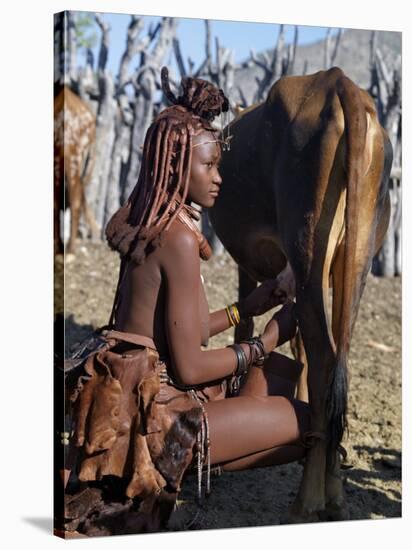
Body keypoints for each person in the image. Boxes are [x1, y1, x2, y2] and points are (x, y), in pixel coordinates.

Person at [61, 66, 310, 536]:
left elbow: (184, 331)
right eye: (209, 165)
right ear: (177, 165)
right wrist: (266, 341)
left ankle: (185, 466)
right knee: (306, 421)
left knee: (260, 390)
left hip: (138, 408)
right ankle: (173, 469)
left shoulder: (151, 218)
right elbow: (192, 367)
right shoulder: (176, 237)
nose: (219, 177)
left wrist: (246, 308)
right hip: (161, 421)